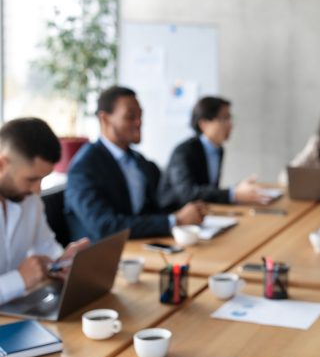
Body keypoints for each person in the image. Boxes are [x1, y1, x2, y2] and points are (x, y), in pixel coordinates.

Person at [65, 86, 205, 242]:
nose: (139, 122)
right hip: (102, 256)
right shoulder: (84, 167)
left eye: (140, 116)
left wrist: (188, 210)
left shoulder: (140, 162)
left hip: (140, 246)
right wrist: (174, 221)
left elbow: (156, 208)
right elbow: (105, 226)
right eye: (130, 117)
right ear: (104, 119)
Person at [0, 118, 88, 305]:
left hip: (16, 312)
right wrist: (19, 279)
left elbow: (46, 246)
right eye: (31, 179)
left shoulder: (29, 200)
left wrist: (63, 262)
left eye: (42, 179)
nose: (37, 190)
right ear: (2, 165)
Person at [158, 96, 270, 208]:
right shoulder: (184, 151)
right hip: (175, 213)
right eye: (224, 119)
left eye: (230, 118)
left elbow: (210, 190)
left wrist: (239, 190)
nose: (230, 125)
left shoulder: (219, 149)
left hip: (203, 213)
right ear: (204, 124)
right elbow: (187, 193)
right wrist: (233, 193)